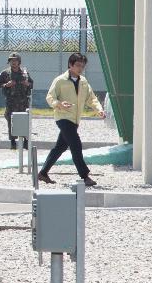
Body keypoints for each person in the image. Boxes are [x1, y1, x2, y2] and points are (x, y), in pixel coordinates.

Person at [38, 52, 105, 188]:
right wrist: (59, 104)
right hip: (63, 118)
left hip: (75, 120)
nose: (80, 69)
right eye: (78, 65)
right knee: (76, 145)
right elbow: (50, 97)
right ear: (70, 65)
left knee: (60, 147)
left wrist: (99, 109)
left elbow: (91, 98)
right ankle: (85, 176)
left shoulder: (84, 82)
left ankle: (43, 173)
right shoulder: (60, 80)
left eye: (82, 66)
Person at [0, 53, 34, 150]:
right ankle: (13, 143)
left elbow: (31, 84)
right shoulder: (5, 73)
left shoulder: (24, 73)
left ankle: (26, 142)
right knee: (10, 120)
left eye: (15, 60)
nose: (13, 62)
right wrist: (6, 85)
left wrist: (27, 83)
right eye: (12, 60)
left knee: (25, 121)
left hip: (23, 101)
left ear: (19, 62)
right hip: (11, 101)